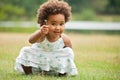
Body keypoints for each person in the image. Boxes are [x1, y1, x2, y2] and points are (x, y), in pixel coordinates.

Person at [14, 0, 78, 77]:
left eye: (61, 24)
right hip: (40, 56)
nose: (58, 27)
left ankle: (61, 74)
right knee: (25, 50)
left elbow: (69, 53)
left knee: (68, 51)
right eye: (53, 24)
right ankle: (29, 74)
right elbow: (30, 40)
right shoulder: (42, 34)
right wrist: (40, 33)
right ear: (45, 23)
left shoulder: (64, 38)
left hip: (55, 58)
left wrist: (64, 57)